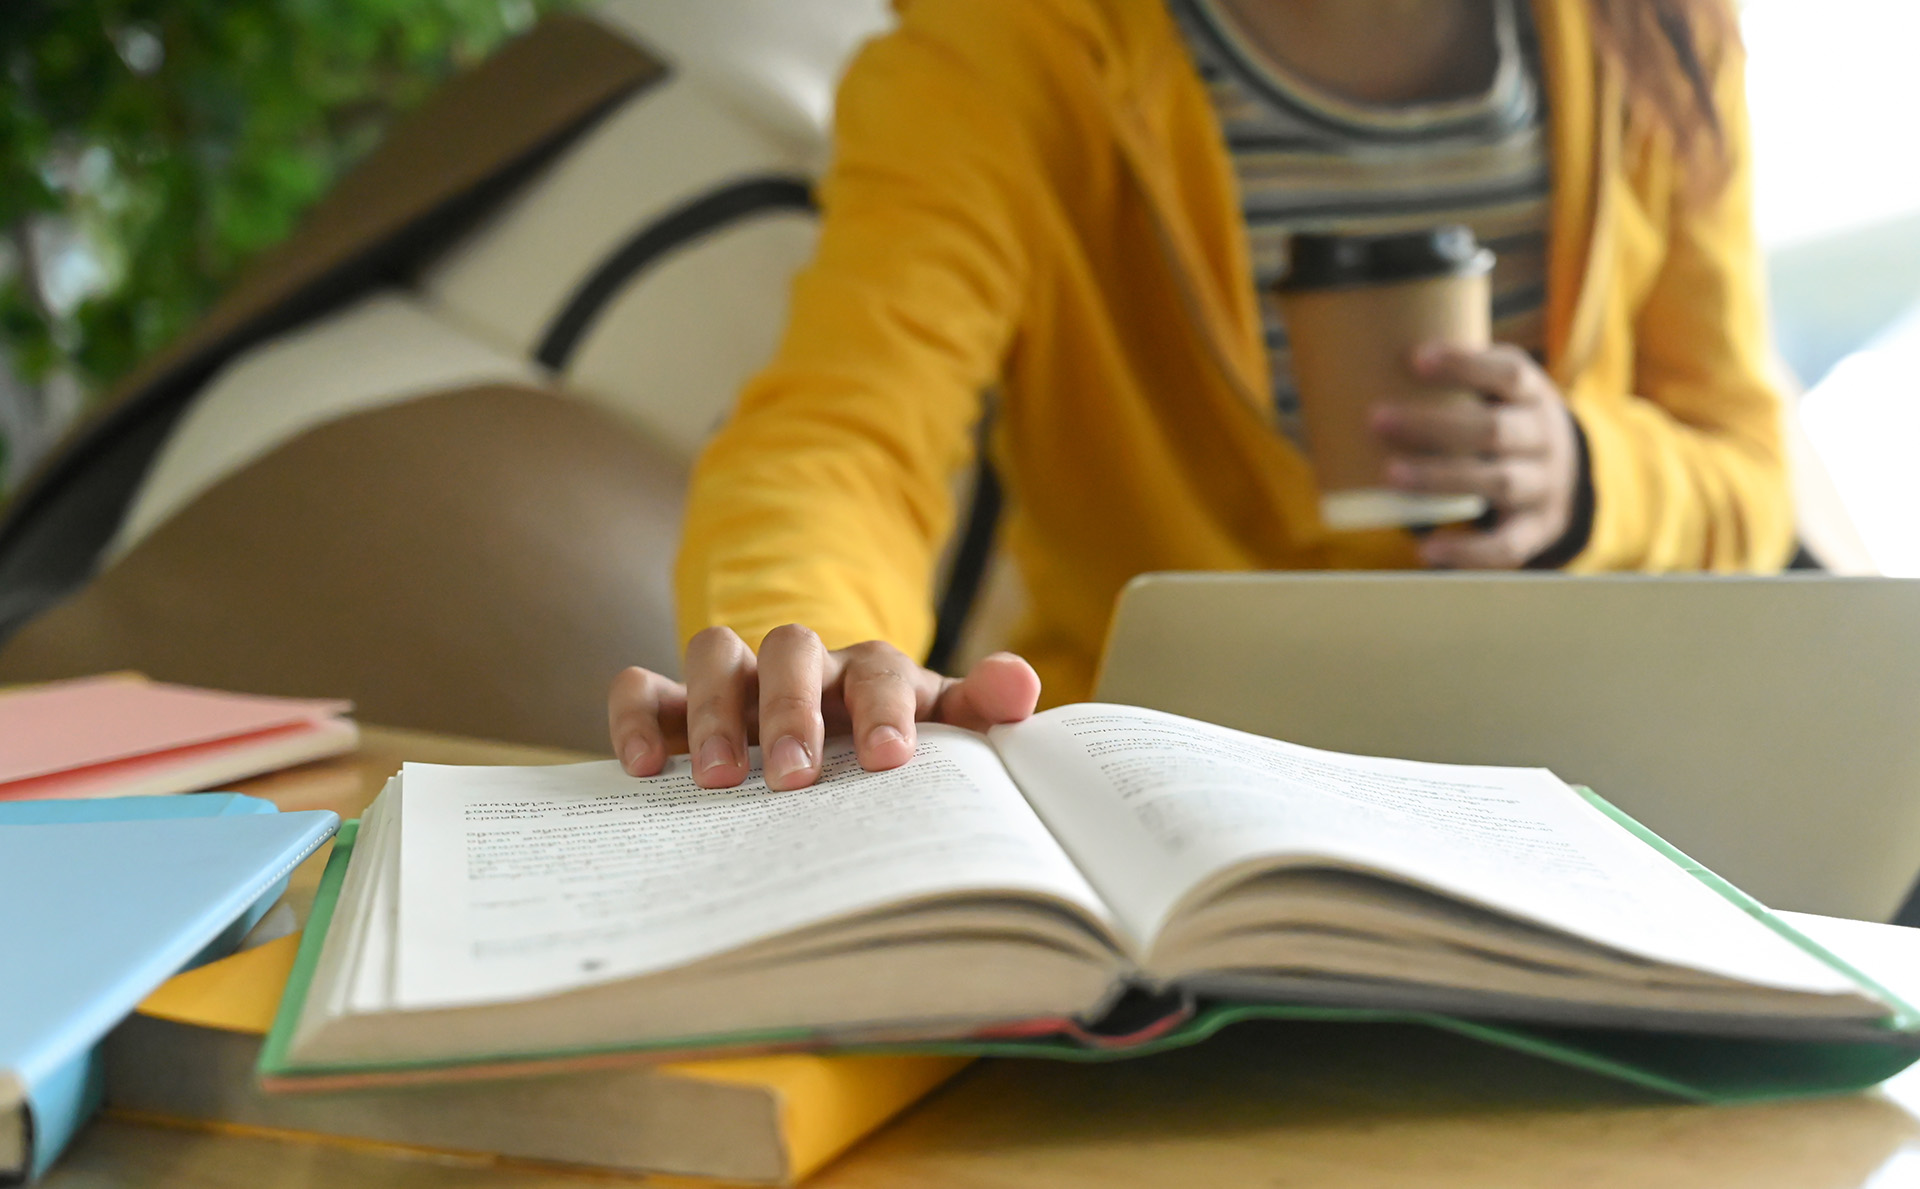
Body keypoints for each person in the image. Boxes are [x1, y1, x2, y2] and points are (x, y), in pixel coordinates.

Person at [608, 0, 1788, 791]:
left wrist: (1587, 479)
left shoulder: (1662, 34)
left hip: (1571, 779)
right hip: (1161, 800)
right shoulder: (1004, 47)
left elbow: (1744, 474)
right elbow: (844, 434)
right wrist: (813, 654)